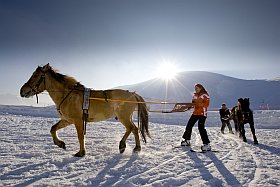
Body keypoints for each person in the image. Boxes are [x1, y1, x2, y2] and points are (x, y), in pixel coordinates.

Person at [181, 83, 211, 151]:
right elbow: (192, 104)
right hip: (195, 113)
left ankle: (207, 144)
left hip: (202, 113)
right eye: (195, 88)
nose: (195, 89)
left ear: (200, 88)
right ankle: (187, 140)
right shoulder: (194, 96)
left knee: (201, 128)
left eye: (197, 88)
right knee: (189, 125)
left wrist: (197, 104)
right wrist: (187, 107)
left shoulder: (205, 95)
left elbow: (206, 105)